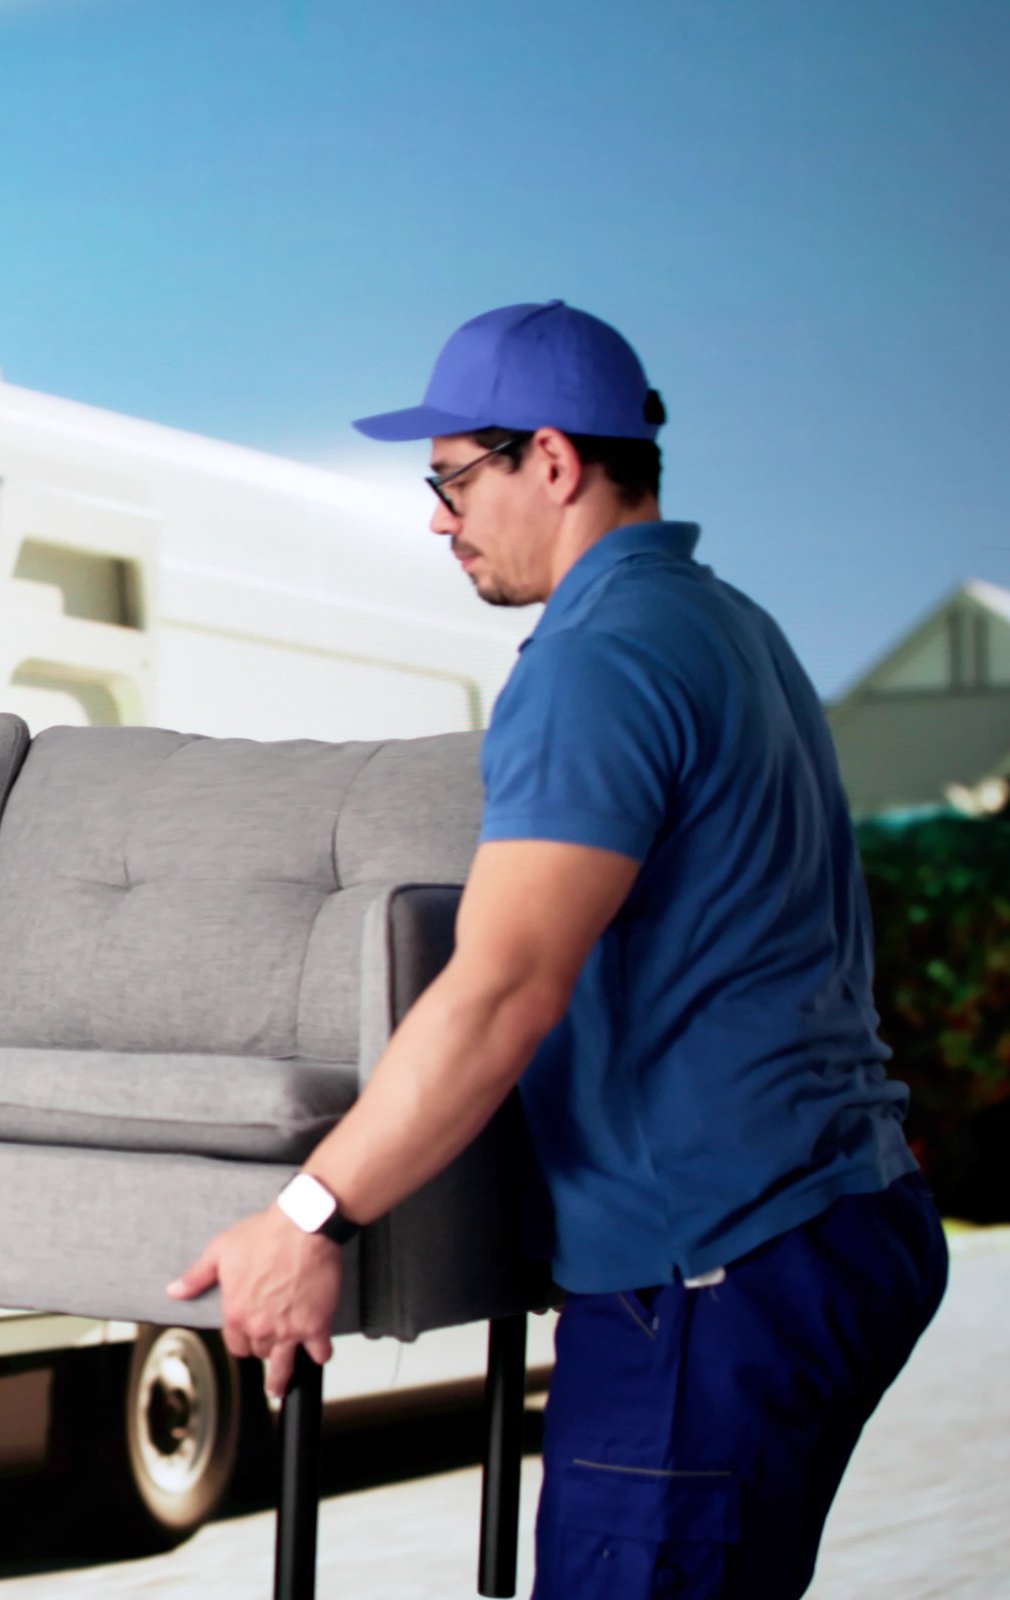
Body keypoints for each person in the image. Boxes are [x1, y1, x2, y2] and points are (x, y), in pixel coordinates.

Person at [167, 302, 948, 1595]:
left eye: (453, 476)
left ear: (553, 459)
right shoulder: (734, 630)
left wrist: (308, 1213)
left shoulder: (598, 660)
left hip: (714, 1267)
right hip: (843, 1215)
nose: (436, 516)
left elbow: (504, 987)